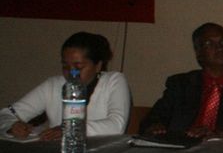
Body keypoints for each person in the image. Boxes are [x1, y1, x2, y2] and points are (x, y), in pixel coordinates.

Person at [140, 23, 223, 140]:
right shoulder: (181, 84)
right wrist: (154, 126)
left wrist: (217, 134)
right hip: (179, 149)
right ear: (198, 53)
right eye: (210, 43)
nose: (220, 47)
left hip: (221, 151)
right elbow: (153, 117)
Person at [1, 32, 131, 140]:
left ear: (98, 66)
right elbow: (6, 114)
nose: (71, 72)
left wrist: (70, 129)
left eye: (79, 67)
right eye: (65, 66)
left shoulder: (114, 81)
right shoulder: (53, 85)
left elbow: (116, 125)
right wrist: (12, 126)